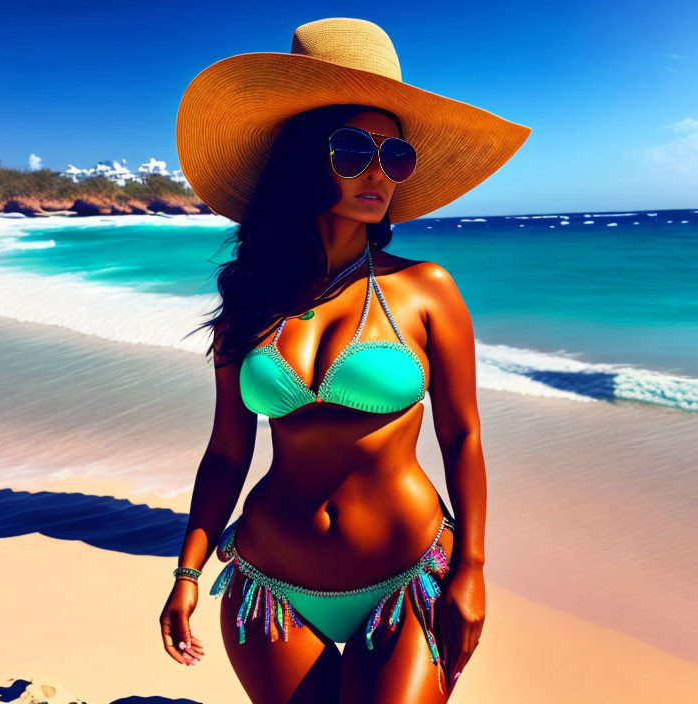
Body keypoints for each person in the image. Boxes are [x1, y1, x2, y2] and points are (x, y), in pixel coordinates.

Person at [159, 17, 530, 704]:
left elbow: (463, 434)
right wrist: (187, 571)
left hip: (408, 577)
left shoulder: (426, 289)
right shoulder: (251, 297)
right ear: (305, 159)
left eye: (396, 157)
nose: (378, 172)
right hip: (268, 585)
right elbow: (226, 453)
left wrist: (473, 568)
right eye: (355, 148)